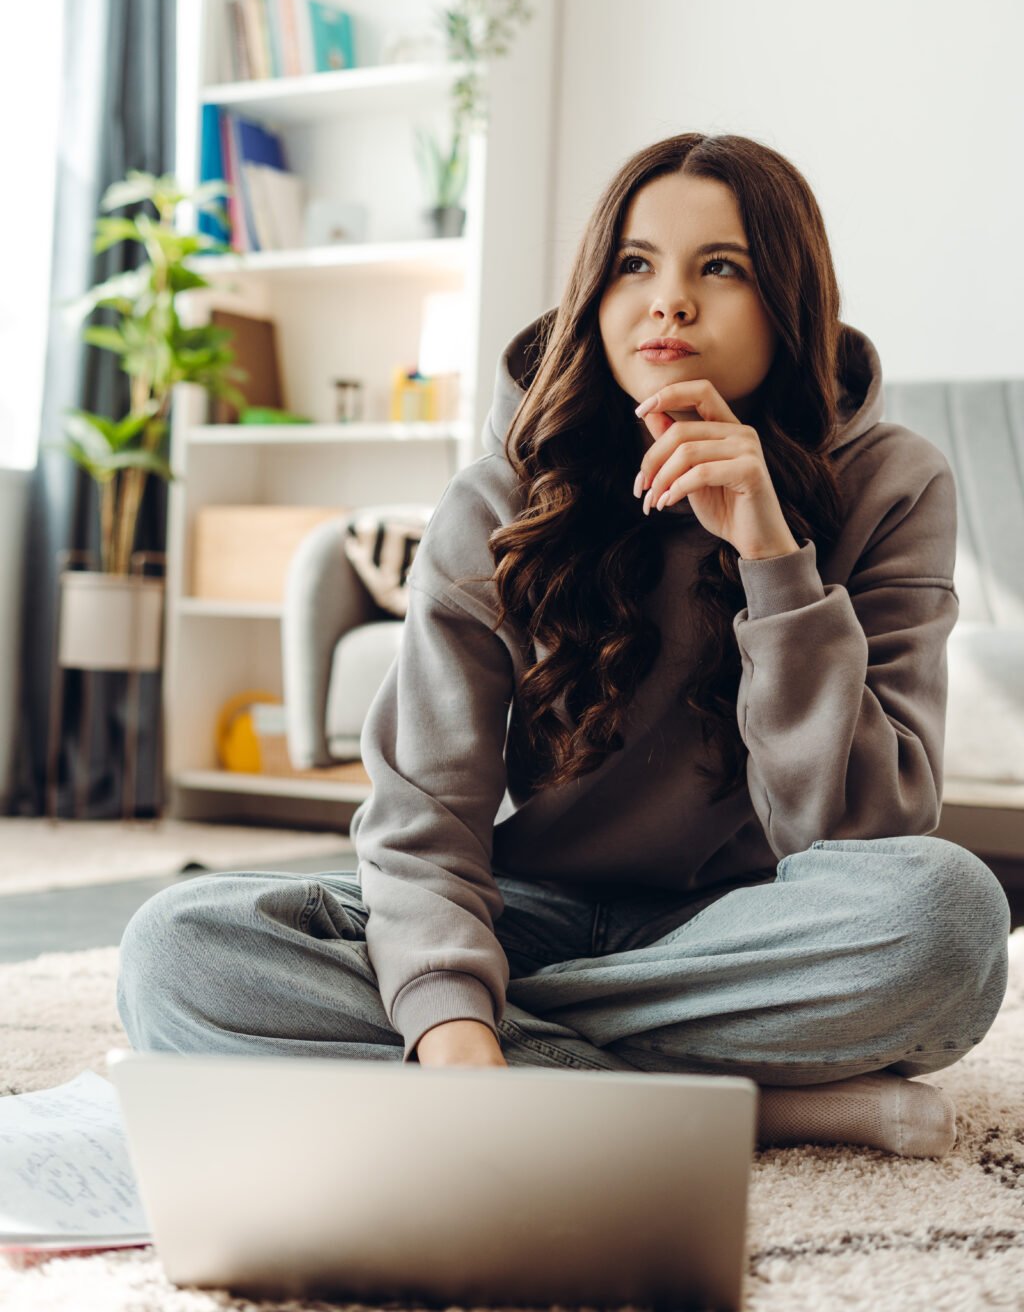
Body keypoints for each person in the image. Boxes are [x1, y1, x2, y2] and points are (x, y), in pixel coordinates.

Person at [118, 132, 1010, 1159]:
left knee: (946, 920)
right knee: (178, 952)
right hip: (522, 914)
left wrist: (773, 558)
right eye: (634, 264)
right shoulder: (498, 494)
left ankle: (540, 1068)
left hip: (751, 928)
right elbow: (421, 822)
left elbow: (864, 828)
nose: (667, 301)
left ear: (792, 302)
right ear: (593, 291)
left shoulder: (894, 483)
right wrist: (453, 1021)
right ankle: (753, 1105)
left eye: (720, 268)